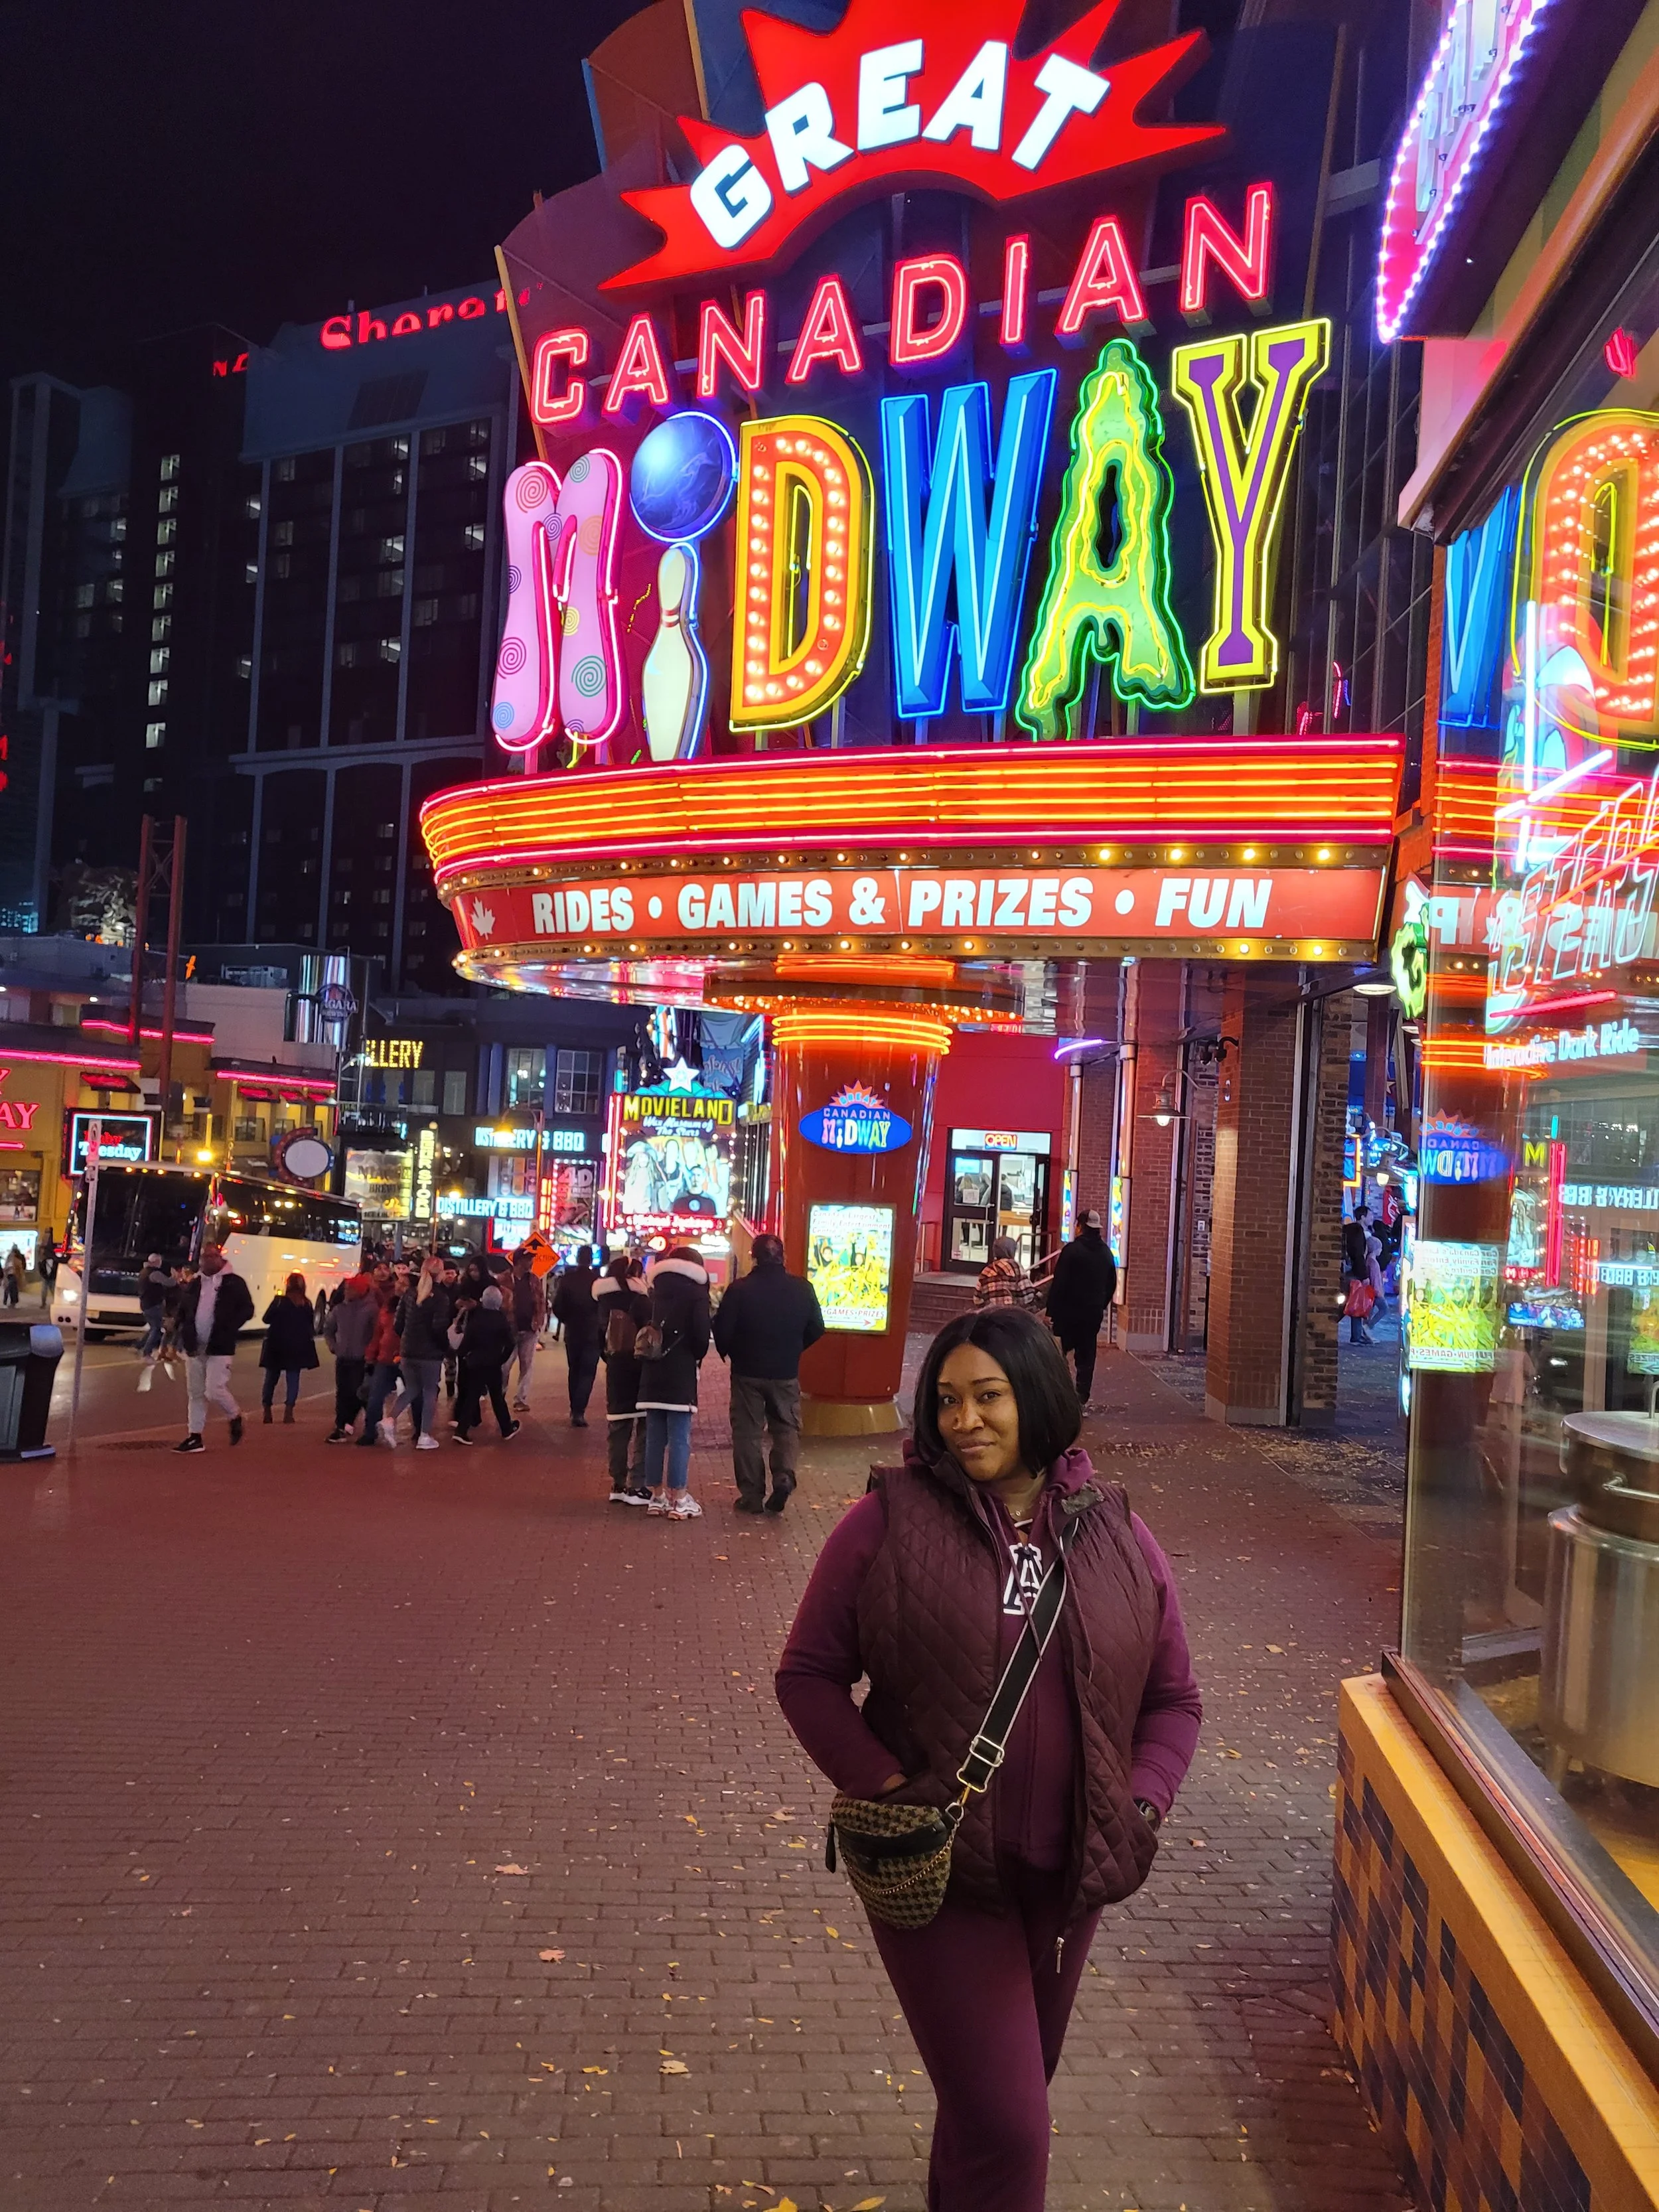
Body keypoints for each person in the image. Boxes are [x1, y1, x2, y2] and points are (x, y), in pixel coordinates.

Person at [776, 1307, 1201, 2212]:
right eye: (946, 1401)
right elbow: (808, 1675)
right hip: (942, 1878)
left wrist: (1142, 1804)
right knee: (1011, 2120)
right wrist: (890, 1783)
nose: (963, 1419)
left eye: (988, 1397)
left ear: (1039, 1397)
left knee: (998, 2107)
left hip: (1071, 1880)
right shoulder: (884, 1523)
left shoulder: (1116, 1532)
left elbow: (1173, 1699)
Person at [713, 1232, 824, 1515]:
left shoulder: (740, 1290)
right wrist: (794, 1348)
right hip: (785, 1372)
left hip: (747, 1372)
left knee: (748, 1432)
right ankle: (784, 1476)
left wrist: (731, 1352)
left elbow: (722, 1330)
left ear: (754, 1257)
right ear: (782, 1256)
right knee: (786, 1427)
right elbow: (817, 1327)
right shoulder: (802, 1288)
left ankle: (751, 1495)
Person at [636, 1244, 711, 1520]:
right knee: (679, 1438)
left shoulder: (653, 1291)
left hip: (652, 1371)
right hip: (680, 1372)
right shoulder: (696, 1294)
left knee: (654, 1436)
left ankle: (657, 1497)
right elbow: (702, 1339)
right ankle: (679, 1499)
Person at [173, 1243, 255, 1453]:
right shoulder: (196, 1283)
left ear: (220, 1259)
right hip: (195, 1345)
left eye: (212, 1257)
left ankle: (235, 1415)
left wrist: (229, 1327)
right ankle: (195, 1436)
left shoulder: (234, 1283)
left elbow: (247, 1309)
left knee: (214, 1389)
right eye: (204, 1257)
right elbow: (183, 1310)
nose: (207, 1260)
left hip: (220, 1346)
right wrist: (178, 1332)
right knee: (195, 1392)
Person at [1043, 1211, 1118, 1404]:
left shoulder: (1072, 1251)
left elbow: (1059, 1283)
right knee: (1086, 1355)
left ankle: (1063, 1393)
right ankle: (1082, 1395)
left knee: (1059, 1353)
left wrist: (1051, 1311)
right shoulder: (1106, 1253)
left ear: (1080, 1227)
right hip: (1092, 1315)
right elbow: (1111, 1285)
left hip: (1067, 1315)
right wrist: (1101, 1305)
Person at [595, 1254, 652, 1505]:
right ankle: (637, 1484)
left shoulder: (602, 1301)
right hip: (639, 1368)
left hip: (615, 1367)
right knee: (644, 1427)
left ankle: (617, 1483)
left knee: (618, 1426)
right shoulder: (641, 1299)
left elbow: (599, 1339)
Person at [382, 1254, 452, 1450]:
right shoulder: (440, 1298)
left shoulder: (410, 1294)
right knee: (430, 1391)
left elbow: (398, 1324)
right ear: (440, 1274)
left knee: (411, 1389)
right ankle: (424, 1435)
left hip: (408, 1351)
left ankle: (390, 1419)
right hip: (429, 1353)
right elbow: (438, 1328)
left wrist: (407, 1339)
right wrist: (446, 1349)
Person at [451, 1284, 522, 1443]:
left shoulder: (477, 1318)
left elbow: (468, 1340)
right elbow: (510, 1343)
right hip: (493, 1364)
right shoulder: (501, 1319)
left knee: (472, 1396)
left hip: (475, 1363)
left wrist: (463, 1355)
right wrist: (502, 1359)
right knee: (497, 1397)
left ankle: (461, 1430)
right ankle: (506, 1428)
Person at [324, 1269, 378, 1442]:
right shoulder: (340, 1309)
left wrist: (370, 1352)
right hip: (343, 1358)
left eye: (350, 1289)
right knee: (343, 1393)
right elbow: (329, 1328)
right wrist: (333, 1346)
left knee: (360, 1394)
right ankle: (341, 1426)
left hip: (361, 1359)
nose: (347, 1291)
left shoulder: (371, 1310)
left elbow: (376, 1333)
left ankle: (365, 1427)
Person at [551, 1246, 603, 1428]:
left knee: (575, 1370)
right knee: (588, 1372)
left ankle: (575, 1408)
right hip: (592, 1333)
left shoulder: (567, 1280)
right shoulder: (597, 1281)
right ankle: (579, 1411)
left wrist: (567, 1320)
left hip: (573, 1331)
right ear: (591, 1260)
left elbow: (557, 1306)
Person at [259, 1272, 319, 1422]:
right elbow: (310, 1326)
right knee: (293, 1379)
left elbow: (266, 1319)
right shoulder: (306, 1304)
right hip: (297, 1346)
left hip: (276, 1345)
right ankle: (289, 1411)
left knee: (271, 1378)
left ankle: (267, 1411)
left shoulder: (279, 1302)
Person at [358, 1266, 403, 1448]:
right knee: (375, 1397)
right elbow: (378, 1333)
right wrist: (371, 1355)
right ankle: (370, 1433)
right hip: (385, 1358)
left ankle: (421, 1431)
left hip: (406, 1357)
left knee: (416, 1395)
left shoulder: (416, 1306)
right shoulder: (387, 1308)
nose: (400, 1288)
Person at [508, 1247, 547, 1412]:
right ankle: (500, 1394)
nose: (531, 1263)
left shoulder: (534, 1279)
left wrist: (539, 1321)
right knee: (504, 1366)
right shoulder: (504, 1279)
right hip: (509, 1331)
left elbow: (541, 1301)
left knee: (527, 1365)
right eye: (528, 1259)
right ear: (518, 1261)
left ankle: (521, 1399)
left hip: (530, 1330)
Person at [136, 1252, 175, 1364]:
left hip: (146, 1304)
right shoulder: (155, 1274)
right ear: (156, 1262)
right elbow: (170, 1283)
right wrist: (175, 1276)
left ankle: (139, 1346)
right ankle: (147, 1353)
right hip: (153, 1305)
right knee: (156, 1329)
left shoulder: (143, 1272)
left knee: (153, 1327)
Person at [975, 1236, 1027, 1309]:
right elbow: (1027, 1296)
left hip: (991, 1315)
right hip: (1012, 1315)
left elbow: (977, 1299)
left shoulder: (987, 1271)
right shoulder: (1016, 1267)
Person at [37, 1233, 57, 1311]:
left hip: (51, 1278)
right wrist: (45, 1276)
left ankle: (52, 1303)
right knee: (45, 1291)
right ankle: (43, 1303)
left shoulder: (53, 1262)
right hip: (47, 1278)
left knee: (52, 1291)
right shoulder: (43, 1262)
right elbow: (41, 1270)